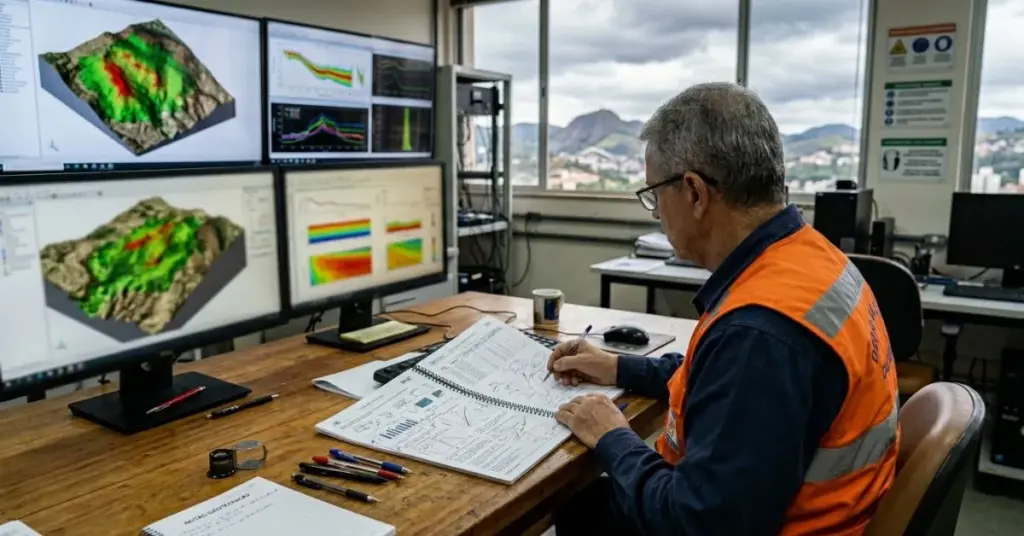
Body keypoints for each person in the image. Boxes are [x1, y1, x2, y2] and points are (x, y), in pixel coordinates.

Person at [548, 82, 899, 536]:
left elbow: (698, 522)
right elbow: (720, 383)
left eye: (655, 194)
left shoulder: (760, 334)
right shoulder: (812, 258)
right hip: (822, 512)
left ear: (694, 193)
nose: (656, 213)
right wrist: (619, 367)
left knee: (573, 510)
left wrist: (614, 437)